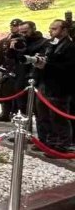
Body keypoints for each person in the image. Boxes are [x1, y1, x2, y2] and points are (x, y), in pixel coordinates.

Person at [32, 20, 74, 151]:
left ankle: (62, 144)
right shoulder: (51, 45)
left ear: (64, 30)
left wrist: (47, 65)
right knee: (43, 115)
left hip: (59, 87)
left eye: (55, 29)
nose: (51, 31)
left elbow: (68, 68)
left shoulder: (70, 47)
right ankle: (47, 141)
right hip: (44, 84)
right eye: (50, 29)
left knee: (59, 117)